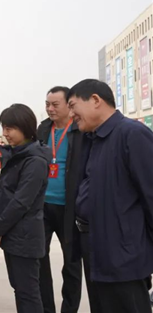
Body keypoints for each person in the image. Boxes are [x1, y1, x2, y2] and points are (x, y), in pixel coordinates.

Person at [68, 79, 153, 313]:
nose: (71, 114)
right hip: (94, 246)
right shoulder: (91, 139)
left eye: (73, 106)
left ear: (95, 100)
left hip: (123, 254)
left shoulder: (132, 134)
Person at [0, 104, 51, 313]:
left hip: (25, 236)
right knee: (19, 289)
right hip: (11, 233)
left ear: (26, 128)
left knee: (28, 293)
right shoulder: (15, 155)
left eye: (10, 128)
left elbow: (21, 202)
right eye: (4, 128)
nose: (5, 133)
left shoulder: (35, 161)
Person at [36, 86, 83, 313]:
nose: (50, 109)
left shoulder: (79, 129)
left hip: (69, 207)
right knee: (39, 259)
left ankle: (69, 309)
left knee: (72, 264)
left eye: (55, 104)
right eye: (47, 104)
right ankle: (47, 309)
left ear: (68, 105)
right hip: (43, 206)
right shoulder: (43, 129)